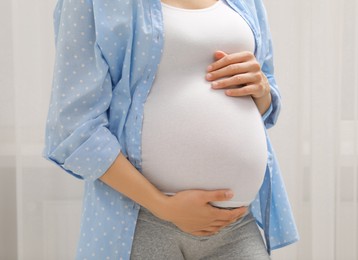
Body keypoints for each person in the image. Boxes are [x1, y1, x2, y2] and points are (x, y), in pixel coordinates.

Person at [43, 0, 299, 259]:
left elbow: (266, 104)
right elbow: (74, 126)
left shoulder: (247, 3)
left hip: (237, 224)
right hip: (141, 221)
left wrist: (262, 89)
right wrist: (163, 206)